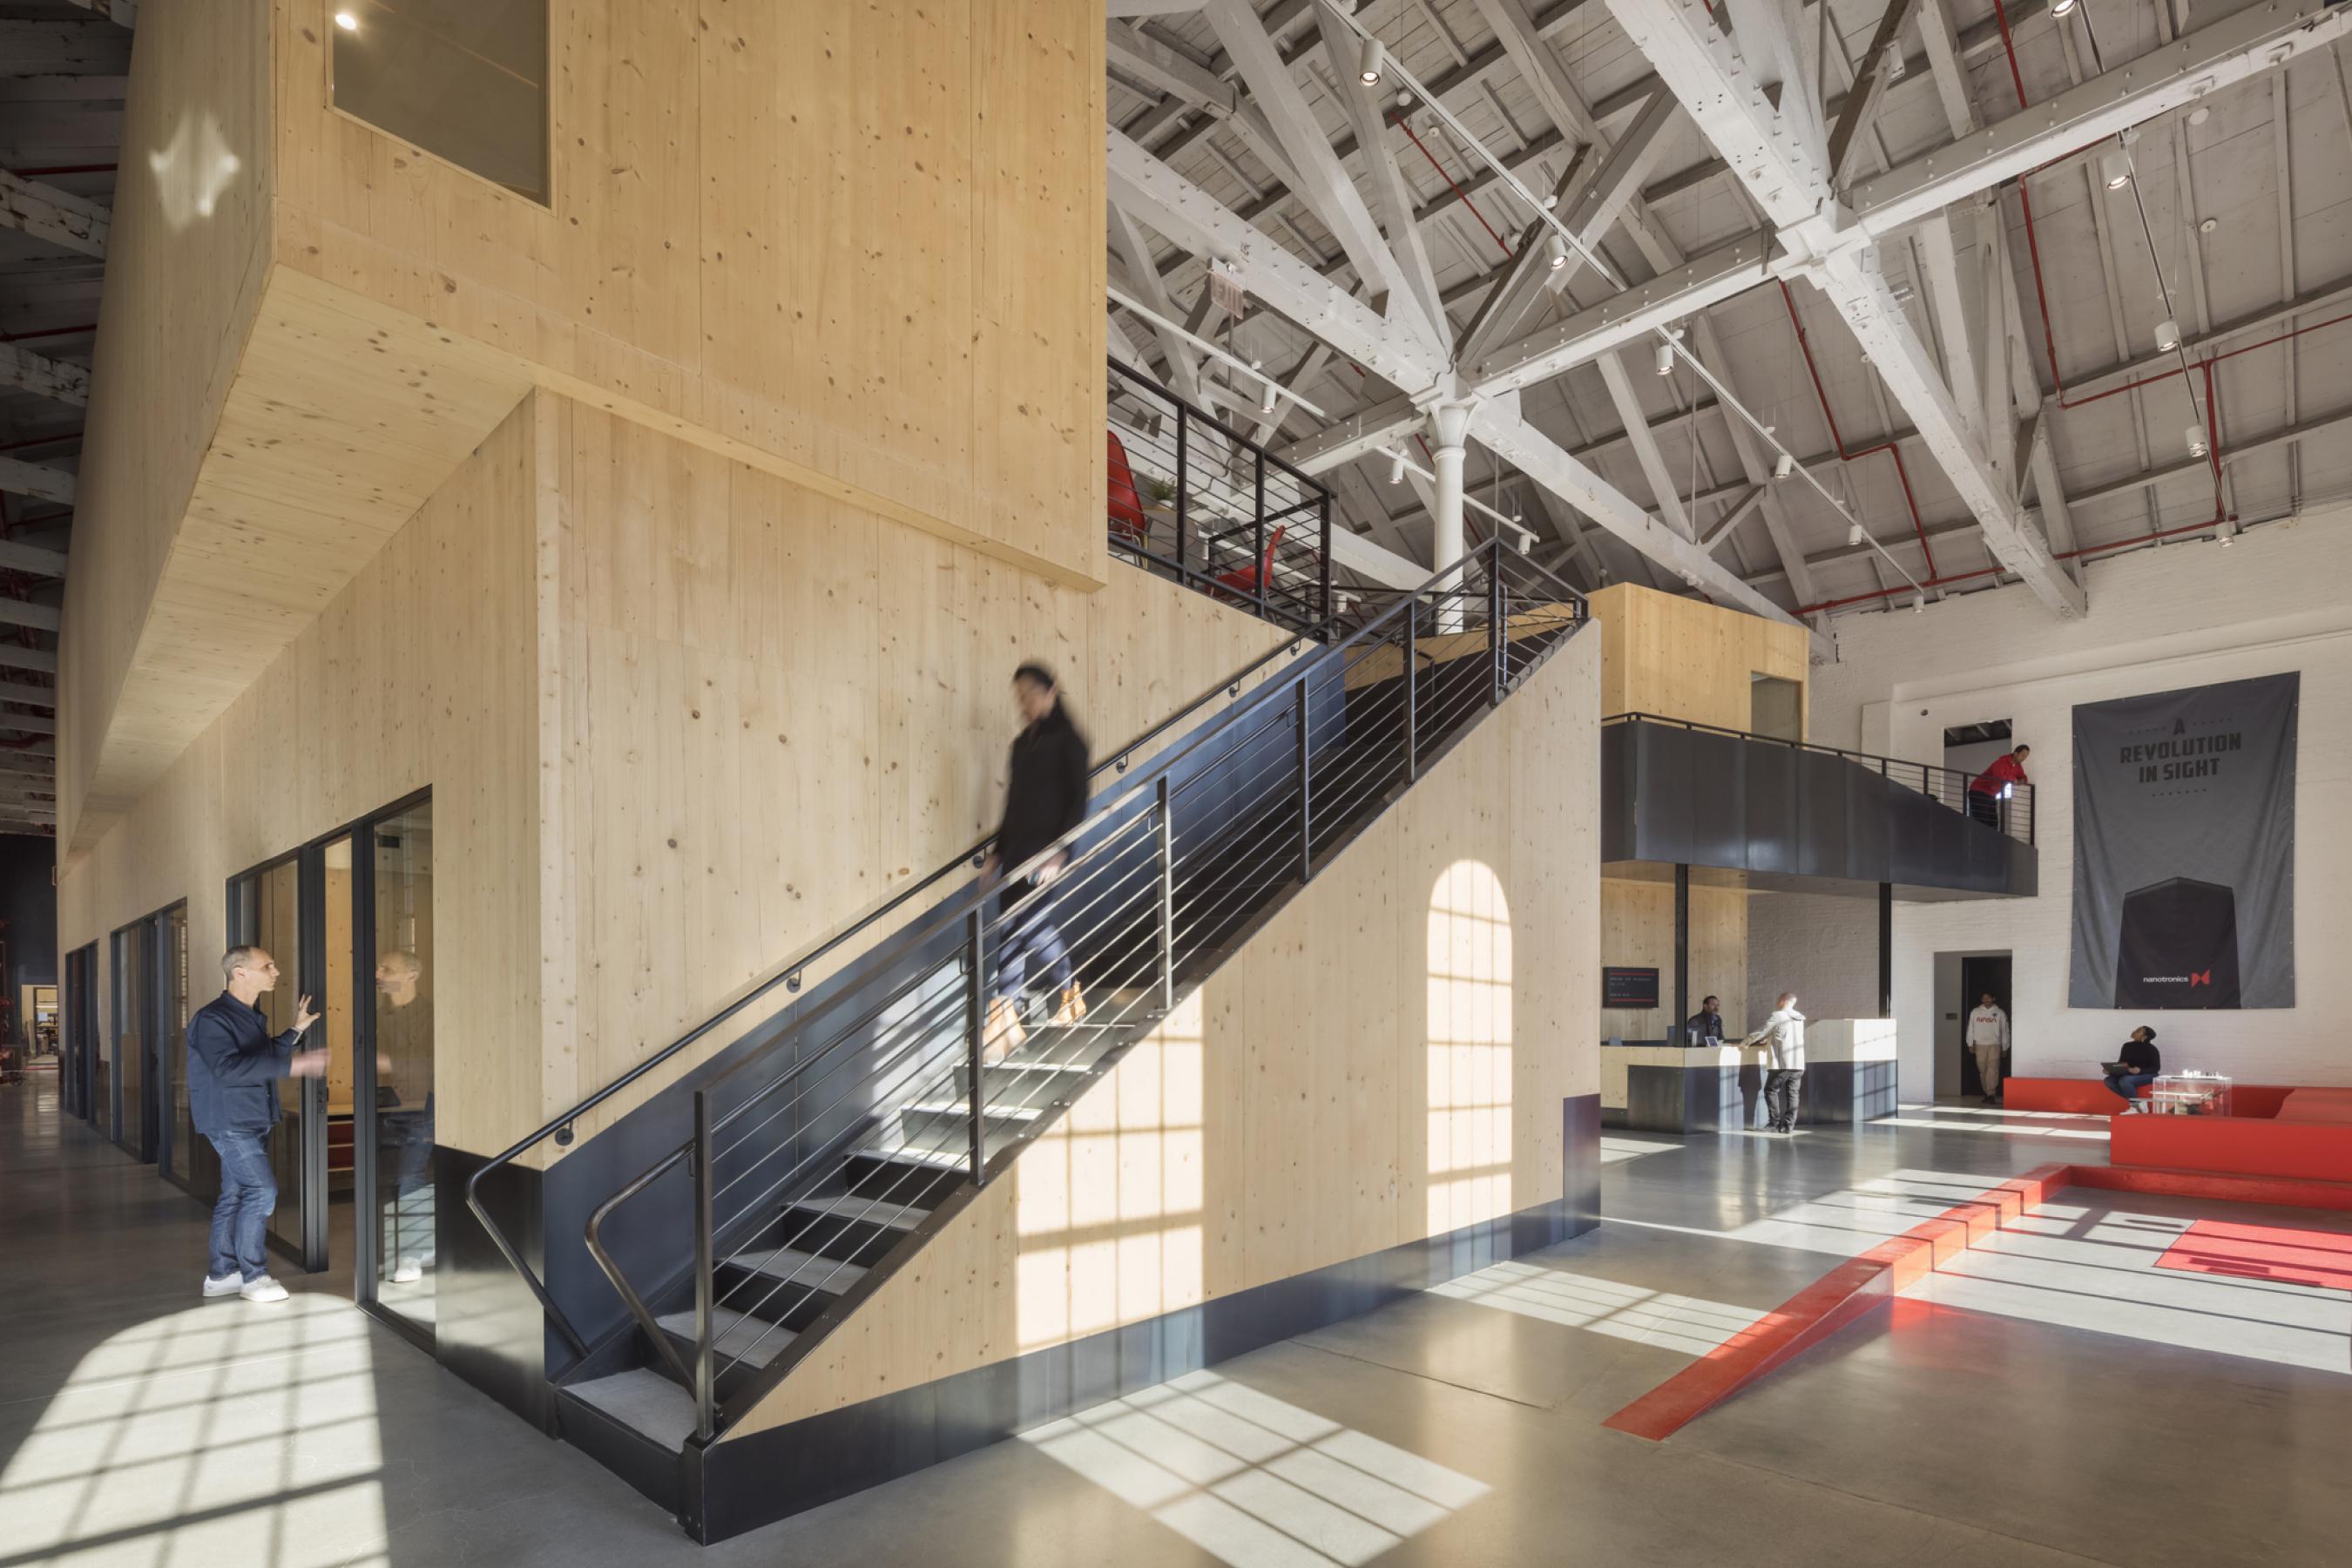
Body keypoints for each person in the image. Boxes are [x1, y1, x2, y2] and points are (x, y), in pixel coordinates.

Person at [188, 947, 323, 1302]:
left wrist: (295, 1030)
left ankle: (222, 1275)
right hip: (230, 1121)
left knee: (235, 1195)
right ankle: (254, 1276)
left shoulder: (251, 1015)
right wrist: (294, 1067)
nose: (275, 971)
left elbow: (261, 1059)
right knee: (262, 1192)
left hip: (252, 1117)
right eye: (268, 966)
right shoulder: (212, 1019)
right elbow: (228, 1069)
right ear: (240, 973)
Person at [980, 662, 1091, 1064]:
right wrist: (997, 853)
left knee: (1029, 925)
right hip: (1017, 852)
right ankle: (1006, 1017)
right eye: (1020, 695)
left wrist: (1062, 850)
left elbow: (1079, 799)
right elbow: (1013, 804)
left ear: (1051, 690)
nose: (1024, 702)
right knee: (1012, 929)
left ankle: (1066, 992)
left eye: (1030, 693)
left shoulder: (1070, 742)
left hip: (1047, 852)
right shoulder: (1020, 745)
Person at [374, 950, 436, 1286]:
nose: (378, 973)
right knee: (401, 1176)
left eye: (387, 969)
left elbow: (429, 1062)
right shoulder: (378, 1016)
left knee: (409, 1174)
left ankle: (413, 1252)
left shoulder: (432, 1015)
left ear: (412, 975)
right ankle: (421, 1246)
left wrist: (391, 1064)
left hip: (424, 1105)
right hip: (388, 1107)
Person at [1739, 992, 1807, 1132]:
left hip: (1783, 1062)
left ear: (1782, 1001)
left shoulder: (1778, 1015)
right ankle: (1789, 1126)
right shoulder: (1799, 1019)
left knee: (1770, 1090)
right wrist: (1770, 1040)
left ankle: (1774, 1124)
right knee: (1793, 1094)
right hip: (1798, 1062)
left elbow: (1762, 1031)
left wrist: (1745, 1043)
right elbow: (1783, 1035)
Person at [1967, 743, 2030, 828]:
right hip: (1979, 791)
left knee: (1993, 823)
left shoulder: (2018, 767)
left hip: (1991, 794)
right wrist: (2013, 779)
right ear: (2015, 753)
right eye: (2022, 755)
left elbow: (2023, 777)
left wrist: (2022, 780)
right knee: (1982, 820)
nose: (2024, 758)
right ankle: (1982, 840)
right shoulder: (2002, 762)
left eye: (2025, 757)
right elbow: (1999, 776)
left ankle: (1989, 840)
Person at [1965, 991, 2011, 1105]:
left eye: (1988, 998)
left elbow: (2005, 1031)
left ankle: (1991, 1094)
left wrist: (2005, 1047)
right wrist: (1970, 1043)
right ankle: (1987, 1093)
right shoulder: (1975, 1012)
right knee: (1983, 1070)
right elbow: (1971, 1028)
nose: (1986, 1000)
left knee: (1993, 1070)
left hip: (1994, 1044)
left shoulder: (1999, 1013)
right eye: (1984, 998)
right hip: (1980, 1044)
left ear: (1993, 999)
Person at [2105, 1026, 2162, 1112]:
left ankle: (2135, 1107)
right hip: (2130, 1074)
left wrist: (2140, 1070)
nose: (2134, 1031)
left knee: (2125, 1080)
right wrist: (2111, 1071)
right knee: (2108, 1081)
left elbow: (2156, 1068)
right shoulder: (2127, 1046)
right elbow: (2121, 1063)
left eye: (2138, 1031)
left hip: (2149, 1075)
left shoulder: (2152, 1049)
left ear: (2144, 1037)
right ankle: (2138, 1102)